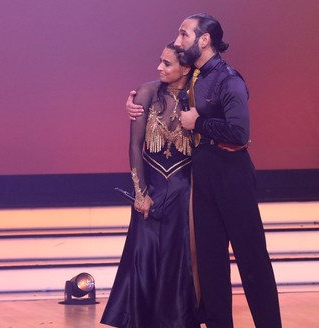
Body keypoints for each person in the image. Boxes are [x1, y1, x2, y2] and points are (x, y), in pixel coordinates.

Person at [127, 13, 282, 328]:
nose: (179, 40)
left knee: (252, 260)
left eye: (184, 34)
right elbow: (161, 89)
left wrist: (198, 123)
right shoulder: (191, 78)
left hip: (232, 175)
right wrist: (134, 101)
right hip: (203, 176)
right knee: (210, 263)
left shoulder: (228, 79)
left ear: (204, 39)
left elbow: (239, 133)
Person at [101, 43, 200, 328]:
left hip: (184, 190)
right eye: (160, 61)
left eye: (167, 64)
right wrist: (140, 193)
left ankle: (176, 319)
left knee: (177, 256)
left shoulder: (197, 96)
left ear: (185, 69)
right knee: (144, 252)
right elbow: (135, 146)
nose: (159, 67)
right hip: (152, 188)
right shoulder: (146, 92)